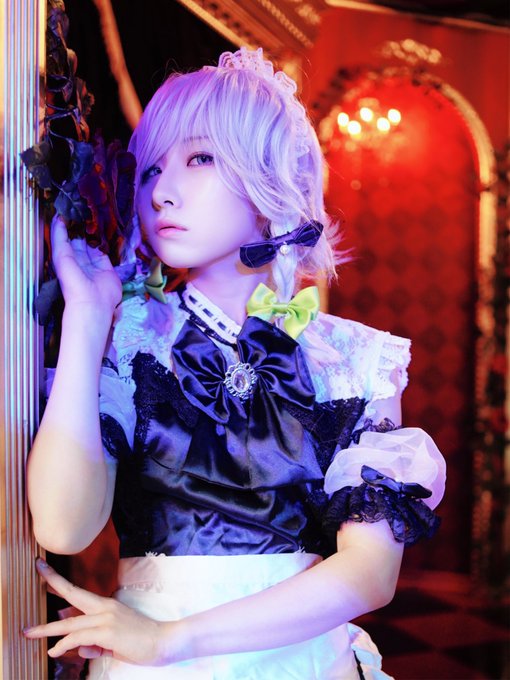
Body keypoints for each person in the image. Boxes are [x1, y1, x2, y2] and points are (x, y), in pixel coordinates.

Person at [24, 47, 446, 679]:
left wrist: (171, 639)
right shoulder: (126, 341)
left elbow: (369, 573)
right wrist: (87, 319)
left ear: (268, 176)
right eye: (151, 169)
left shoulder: (355, 358)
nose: (162, 192)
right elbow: (63, 527)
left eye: (200, 159)